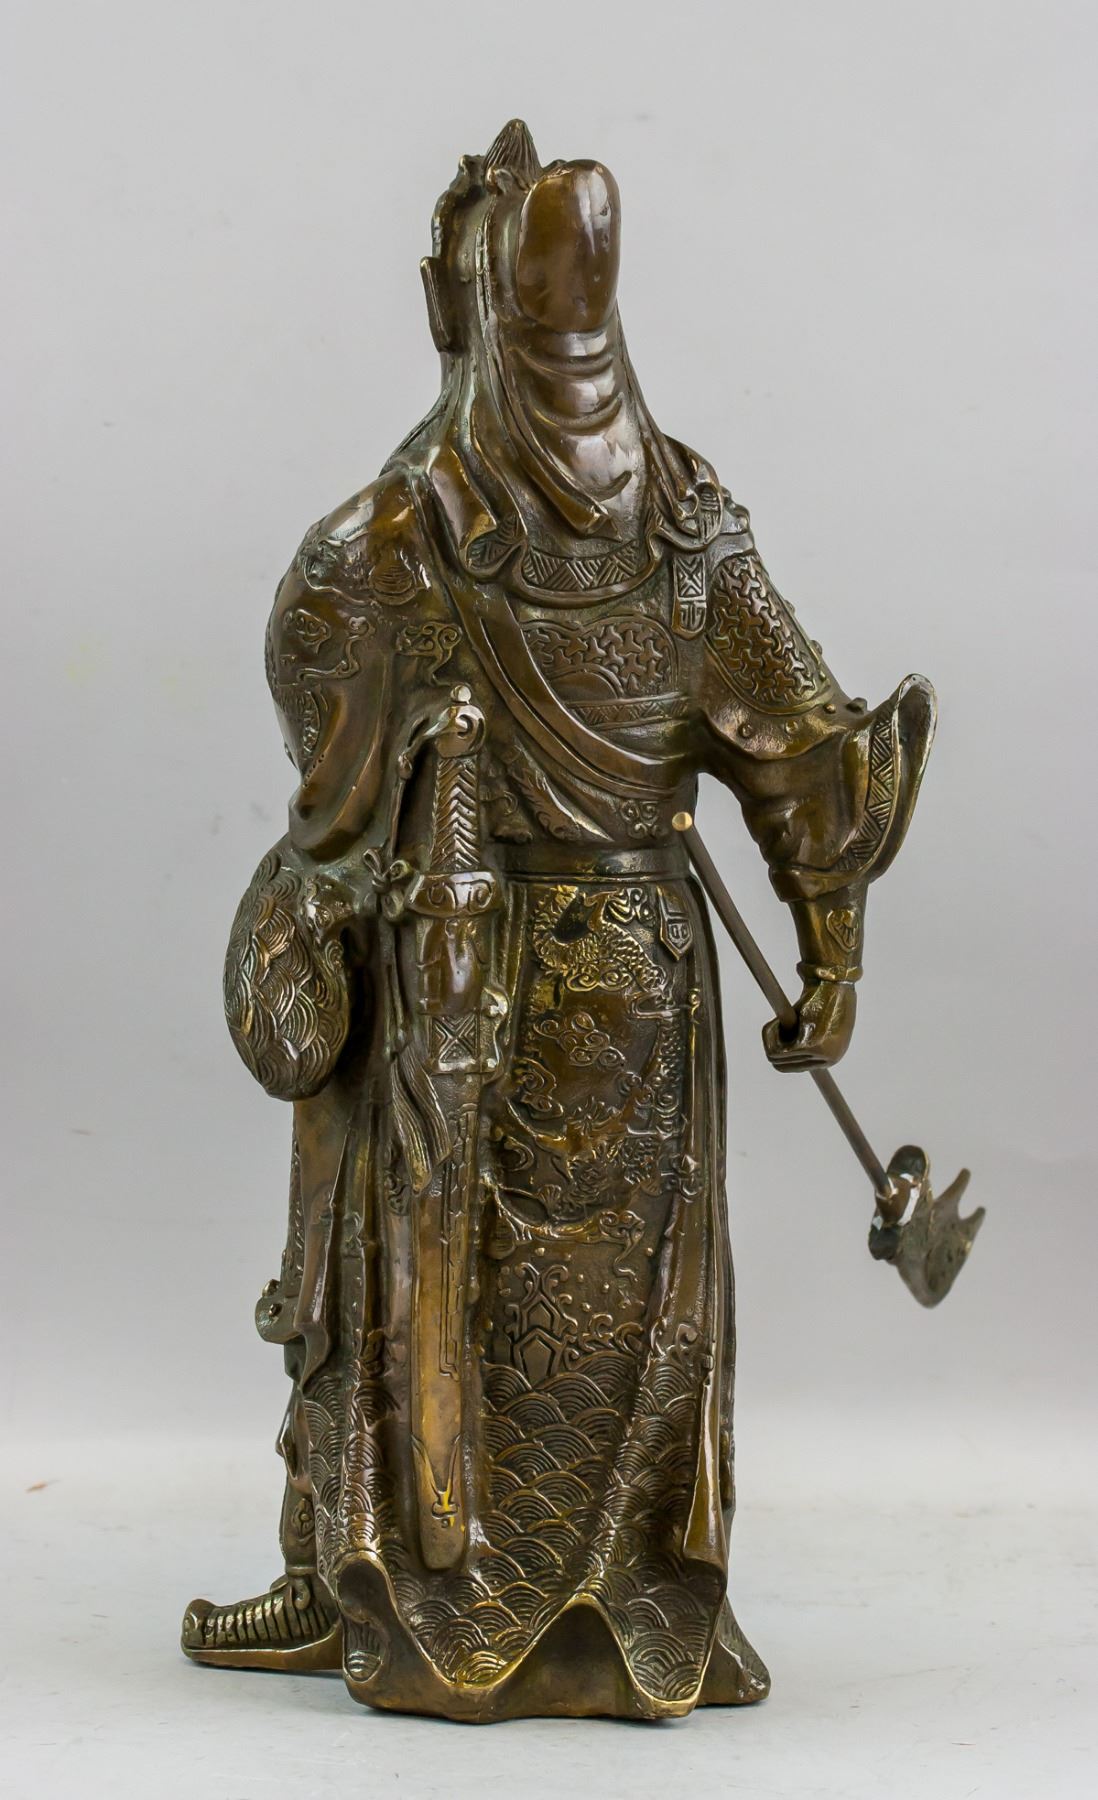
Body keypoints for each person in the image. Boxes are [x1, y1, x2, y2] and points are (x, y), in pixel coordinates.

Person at [182, 120, 934, 1722]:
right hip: (585, 978)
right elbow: (803, 748)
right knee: (494, 1304)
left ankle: (514, 1599)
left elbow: (324, 748)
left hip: (486, 986)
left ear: (452, 303)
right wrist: (828, 947)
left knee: (532, 1313)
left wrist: (331, 882)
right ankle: (400, 1585)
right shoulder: (675, 521)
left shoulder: (401, 535)